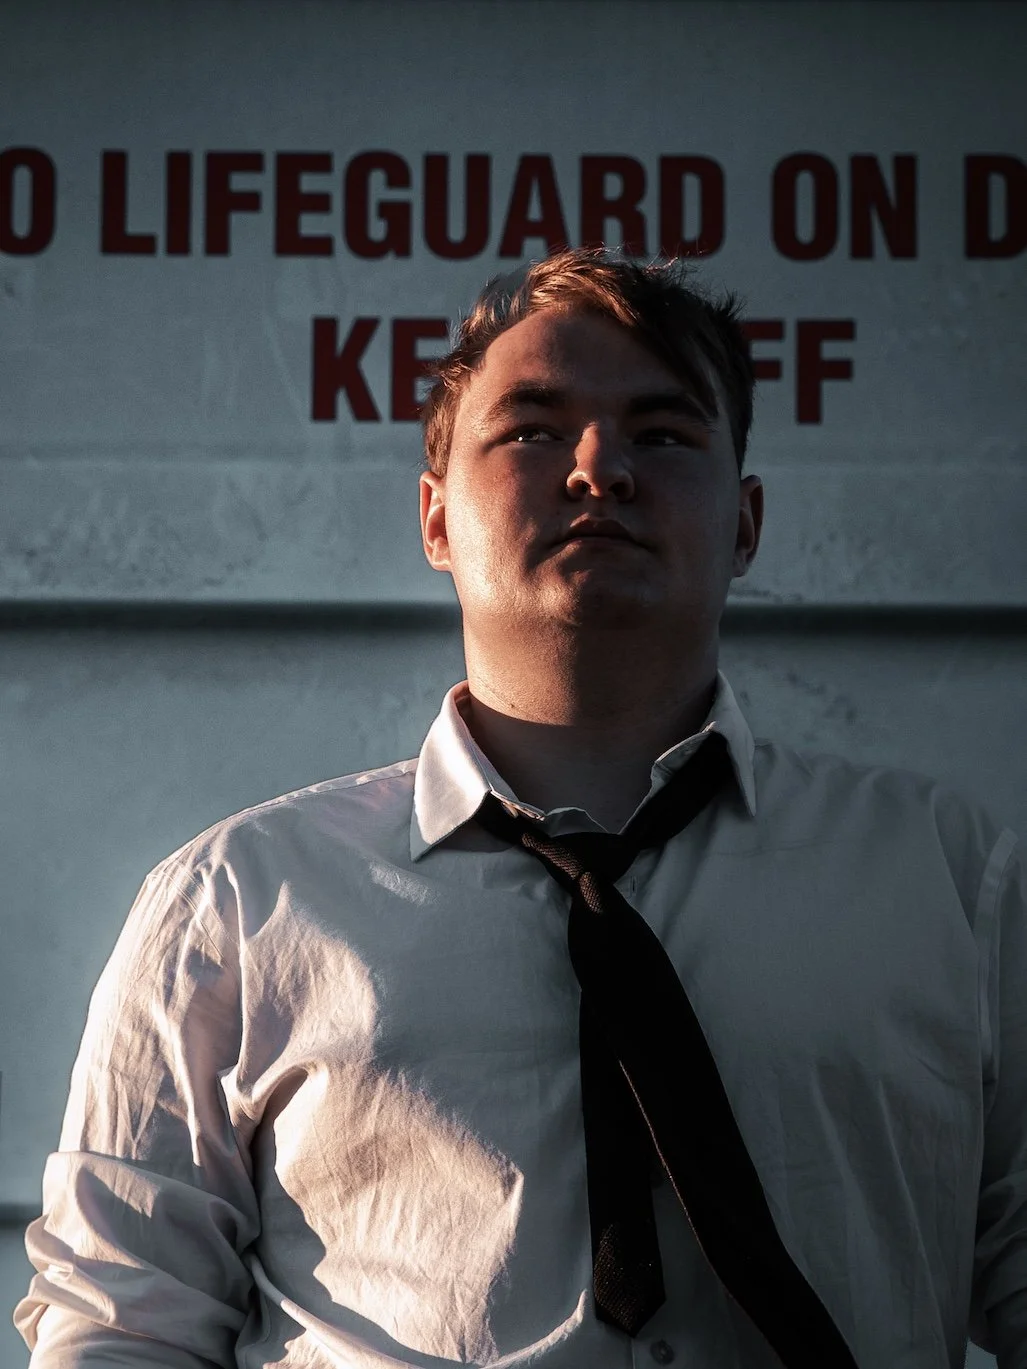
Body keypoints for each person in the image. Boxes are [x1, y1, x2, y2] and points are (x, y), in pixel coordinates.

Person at [14, 246, 1026, 1369]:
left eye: (663, 432)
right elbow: (121, 1318)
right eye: (535, 430)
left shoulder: (951, 880)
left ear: (745, 524)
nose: (600, 467)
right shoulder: (238, 905)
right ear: (435, 519)